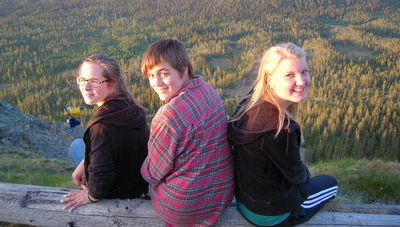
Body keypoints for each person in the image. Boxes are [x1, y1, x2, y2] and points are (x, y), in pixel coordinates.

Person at [228, 42, 338, 227]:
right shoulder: (280, 129)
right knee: (331, 184)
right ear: (269, 79)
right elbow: (298, 177)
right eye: (290, 75)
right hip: (270, 215)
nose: (302, 81)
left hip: (245, 202)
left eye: (304, 71)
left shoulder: (248, 103)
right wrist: (304, 171)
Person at [140, 37, 234, 226]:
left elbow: (154, 173)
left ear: (184, 69)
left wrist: (142, 167)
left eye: (163, 73)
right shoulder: (208, 90)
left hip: (183, 208)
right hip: (222, 195)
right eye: (151, 75)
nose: (156, 83)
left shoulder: (167, 116)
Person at [61, 54, 149, 212]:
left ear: (112, 84)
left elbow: (101, 178)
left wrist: (90, 196)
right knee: (78, 146)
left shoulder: (102, 126)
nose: (86, 87)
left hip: (120, 193)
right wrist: (84, 163)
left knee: (75, 147)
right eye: (82, 80)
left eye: (94, 81)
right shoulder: (130, 106)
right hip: (138, 183)